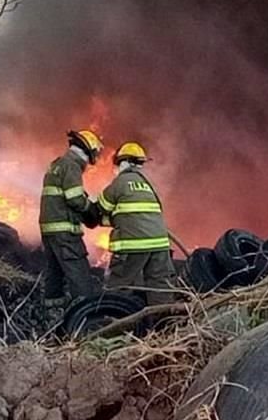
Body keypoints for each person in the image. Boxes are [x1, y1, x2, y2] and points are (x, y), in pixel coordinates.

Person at [95, 142, 175, 305]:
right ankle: (166, 325)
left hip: (133, 245)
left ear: (123, 162)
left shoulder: (120, 183)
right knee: (159, 287)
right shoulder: (149, 185)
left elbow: (100, 209)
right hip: (160, 245)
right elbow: (136, 214)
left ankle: (114, 321)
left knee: (118, 287)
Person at [38, 129, 102, 317]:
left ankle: (51, 313)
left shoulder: (56, 165)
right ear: (87, 151)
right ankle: (87, 317)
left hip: (50, 231)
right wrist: (90, 209)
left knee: (55, 271)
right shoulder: (72, 165)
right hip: (65, 232)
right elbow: (74, 198)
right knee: (79, 272)